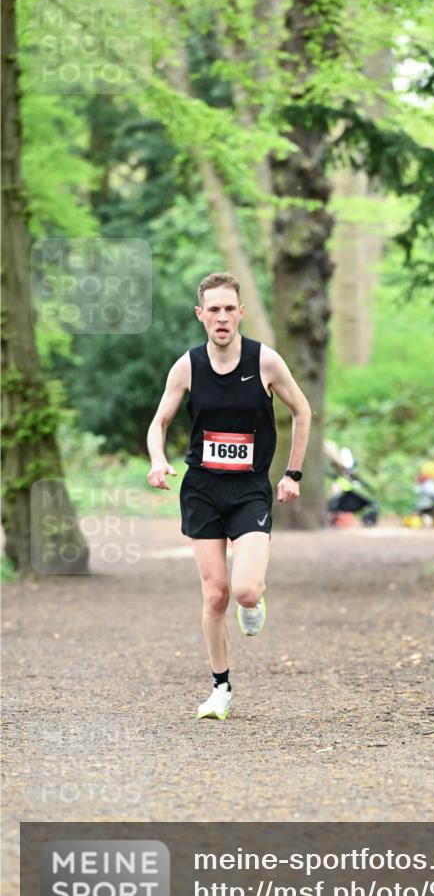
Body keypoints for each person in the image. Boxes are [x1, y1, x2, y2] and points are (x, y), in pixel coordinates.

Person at [146, 272, 311, 720]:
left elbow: (302, 411)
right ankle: (221, 687)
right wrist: (158, 460)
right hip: (201, 489)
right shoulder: (187, 366)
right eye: (213, 310)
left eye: (228, 309)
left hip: (249, 490)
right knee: (215, 594)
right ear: (200, 315)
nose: (221, 317)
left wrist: (292, 473)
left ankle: (254, 601)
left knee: (245, 590)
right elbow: (159, 423)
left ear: (240, 313)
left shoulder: (265, 361)